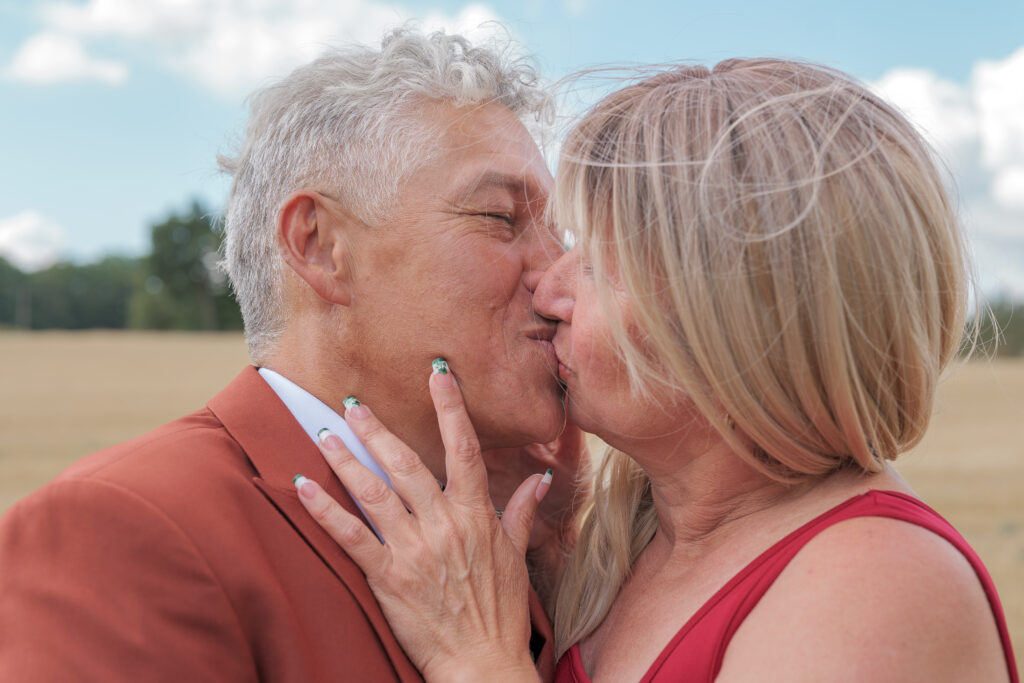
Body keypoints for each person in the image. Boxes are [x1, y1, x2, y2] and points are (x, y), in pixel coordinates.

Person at [296, 59, 1019, 682]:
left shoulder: (878, 583)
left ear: (743, 318)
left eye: (604, 265)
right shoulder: (630, 538)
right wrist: (548, 567)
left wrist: (483, 661)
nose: (551, 291)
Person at [0, 29, 586, 681]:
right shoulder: (119, 533)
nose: (560, 274)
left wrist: (565, 578)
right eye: (501, 218)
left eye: (559, 230)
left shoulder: (519, 537)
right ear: (319, 246)